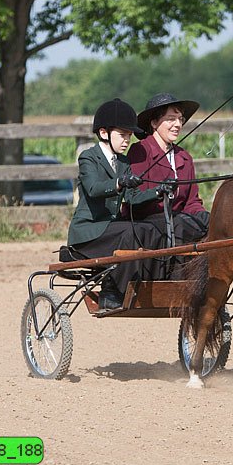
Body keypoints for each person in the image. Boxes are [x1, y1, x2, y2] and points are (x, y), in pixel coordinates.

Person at [66, 98, 166, 309]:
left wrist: (157, 191)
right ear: (104, 133)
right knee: (129, 233)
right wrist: (120, 182)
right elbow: (93, 189)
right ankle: (110, 290)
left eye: (129, 136)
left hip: (111, 228)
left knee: (146, 228)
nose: (127, 140)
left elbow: (132, 197)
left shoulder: (123, 162)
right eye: (122, 135)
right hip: (89, 230)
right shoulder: (88, 158)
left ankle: (146, 283)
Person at [125, 93, 210, 252]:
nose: (178, 124)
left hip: (179, 223)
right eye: (171, 119)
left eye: (180, 119)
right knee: (179, 224)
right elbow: (136, 200)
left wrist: (203, 217)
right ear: (154, 123)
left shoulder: (184, 157)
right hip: (148, 224)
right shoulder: (141, 151)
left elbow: (192, 202)